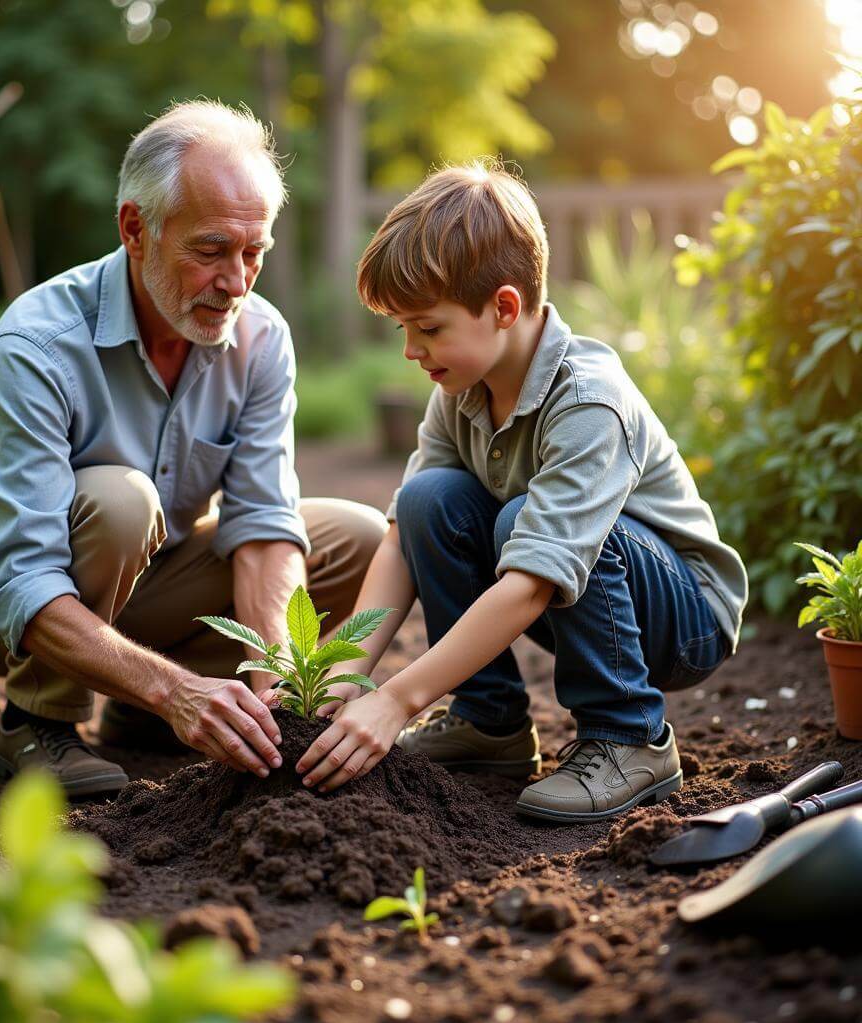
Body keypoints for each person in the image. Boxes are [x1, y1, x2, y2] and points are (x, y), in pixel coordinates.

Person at [0, 100, 386, 798]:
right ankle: (37, 720)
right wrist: (177, 691)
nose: (236, 282)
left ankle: (139, 717)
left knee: (357, 538)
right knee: (119, 502)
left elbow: (261, 527)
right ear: (136, 229)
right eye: (210, 251)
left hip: (143, 576)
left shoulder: (261, 339)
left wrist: (278, 692)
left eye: (253, 253)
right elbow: (24, 579)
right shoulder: (37, 345)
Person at [295, 160, 749, 822]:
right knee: (427, 502)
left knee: (518, 524)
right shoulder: (458, 388)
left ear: (504, 307)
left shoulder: (589, 400)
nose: (411, 350)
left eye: (428, 327)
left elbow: (534, 580)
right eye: (403, 331)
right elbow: (402, 543)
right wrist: (339, 675)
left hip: (681, 620)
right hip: (573, 592)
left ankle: (631, 737)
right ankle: (490, 723)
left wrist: (396, 700)